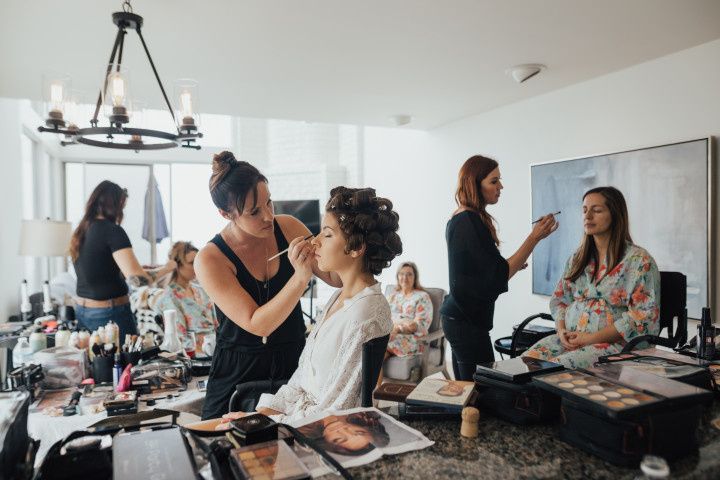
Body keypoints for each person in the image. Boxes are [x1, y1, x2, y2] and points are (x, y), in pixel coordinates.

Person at [217, 186, 402, 425]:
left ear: (356, 248)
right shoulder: (340, 298)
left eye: (326, 234)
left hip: (321, 437)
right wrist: (261, 416)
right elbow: (300, 382)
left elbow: (335, 410)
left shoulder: (366, 313)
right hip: (297, 422)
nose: (314, 241)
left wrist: (273, 424)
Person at [195, 151, 343, 420]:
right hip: (238, 370)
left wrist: (344, 241)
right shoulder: (210, 259)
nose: (268, 216)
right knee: (225, 448)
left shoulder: (288, 227)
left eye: (269, 203)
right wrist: (300, 278)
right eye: (254, 211)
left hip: (294, 361)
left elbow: (336, 278)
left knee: (296, 449)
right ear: (226, 213)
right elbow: (258, 323)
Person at [440, 155, 558, 380]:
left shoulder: (466, 218)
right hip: (465, 321)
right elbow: (495, 276)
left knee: (469, 389)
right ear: (475, 184)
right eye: (494, 181)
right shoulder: (468, 221)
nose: (500, 186)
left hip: (462, 317)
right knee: (478, 389)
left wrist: (508, 267)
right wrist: (534, 238)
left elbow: (486, 273)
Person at [523, 186, 660, 368]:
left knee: (555, 369)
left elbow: (641, 317)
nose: (588, 216)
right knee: (525, 363)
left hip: (616, 347)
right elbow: (560, 300)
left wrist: (590, 338)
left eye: (596, 210)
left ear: (615, 214)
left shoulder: (639, 261)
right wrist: (562, 330)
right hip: (571, 340)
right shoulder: (577, 259)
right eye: (585, 210)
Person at [70, 180, 175, 340]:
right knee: (127, 363)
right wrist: (167, 268)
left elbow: (101, 270)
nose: (122, 211)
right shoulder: (112, 231)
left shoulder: (82, 230)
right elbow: (138, 280)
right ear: (115, 204)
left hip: (84, 311)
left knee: (97, 363)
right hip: (109, 314)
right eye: (122, 206)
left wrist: (144, 270)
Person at [153, 241, 217, 354]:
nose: (197, 266)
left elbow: (217, 325)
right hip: (196, 356)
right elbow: (181, 340)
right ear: (177, 266)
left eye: (198, 261)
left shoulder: (201, 290)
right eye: (192, 263)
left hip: (216, 349)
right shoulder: (169, 298)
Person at [385, 262, 433, 358]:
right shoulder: (392, 296)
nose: (405, 277)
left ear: (415, 277)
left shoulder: (422, 297)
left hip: (413, 339)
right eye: (401, 274)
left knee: (379, 344)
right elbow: (382, 318)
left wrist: (398, 328)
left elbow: (420, 326)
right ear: (397, 276)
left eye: (409, 274)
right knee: (376, 351)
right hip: (390, 333)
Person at [296, 411, 390, 456]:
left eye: (338, 439)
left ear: (325, 443)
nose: (342, 430)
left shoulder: (302, 426)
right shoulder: (355, 409)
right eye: (358, 432)